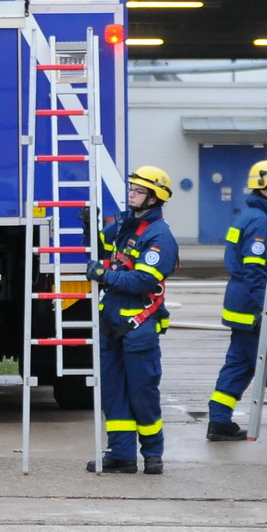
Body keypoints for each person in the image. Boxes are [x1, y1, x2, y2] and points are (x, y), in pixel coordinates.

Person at [84, 166, 178, 475]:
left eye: (138, 191)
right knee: (112, 394)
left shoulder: (160, 235)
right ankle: (121, 454)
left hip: (138, 330)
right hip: (111, 327)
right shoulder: (127, 226)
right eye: (132, 189)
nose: (131, 194)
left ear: (154, 198)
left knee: (143, 395)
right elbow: (102, 246)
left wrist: (104, 276)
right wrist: (90, 228)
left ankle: (153, 455)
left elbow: (142, 281)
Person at [207, 160, 267, 443]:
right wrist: (261, 310)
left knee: (239, 364)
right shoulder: (260, 221)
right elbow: (254, 271)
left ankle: (219, 420)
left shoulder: (252, 215)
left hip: (240, 305)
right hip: (251, 307)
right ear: (266, 189)